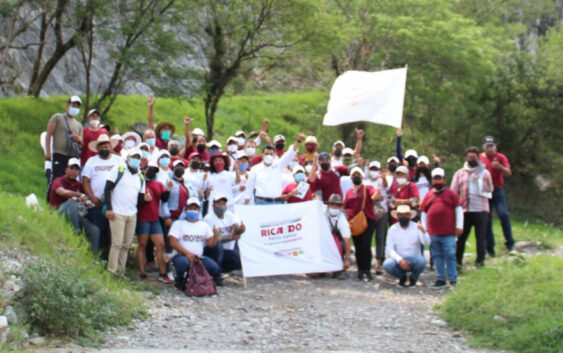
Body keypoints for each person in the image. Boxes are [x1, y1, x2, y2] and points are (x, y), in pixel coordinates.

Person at [104, 148, 149, 276]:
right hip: (117, 212)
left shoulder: (140, 177)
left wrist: (146, 200)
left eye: (138, 158)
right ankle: (111, 271)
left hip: (132, 213)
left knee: (126, 245)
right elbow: (107, 189)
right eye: (134, 157)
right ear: (128, 158)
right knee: (116, 244)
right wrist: (109, 208)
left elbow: (139, 198)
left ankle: (121, 271)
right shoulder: (119, 170)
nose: (136, 160)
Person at [451, 146, 494, 268]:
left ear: (478, 158)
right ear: (466, 158)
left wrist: (488, 182)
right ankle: (457, 261)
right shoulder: (460, 173)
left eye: (474, 157)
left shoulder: (484, 172)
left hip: (481, 209)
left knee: (481, 237)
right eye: (470, 157)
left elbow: (490, 190)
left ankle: (480, 261)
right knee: (461, 237)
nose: (472, 160)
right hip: (465, 210)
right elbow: (453, 191)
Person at [420, 168, 463, 288]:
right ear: (432, 180)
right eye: (435, 178)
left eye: (439, 178)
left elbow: (458, 209)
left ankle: (453, 278)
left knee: (450, 254)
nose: (437, 181)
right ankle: (441, 278)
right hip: (433, 232)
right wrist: (424, 228)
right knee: (436, 255)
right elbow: (423, 212)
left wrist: (459, 226)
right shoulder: (429, 195)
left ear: (444, 180)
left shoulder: (451, 193)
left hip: (448, 232)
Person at [168, 197, 222, 289]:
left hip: (198, 258)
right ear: (186, 209)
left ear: (199, 210)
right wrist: (187, 253)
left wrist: (215, 236)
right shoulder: (178, 224)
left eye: (195, 209)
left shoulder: (204, 225)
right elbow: (172, 242)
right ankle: (180, 280)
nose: (193, 211)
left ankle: (207, 279)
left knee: (214, 268)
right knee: (182, 264)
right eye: (191, 208)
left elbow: (211, 244)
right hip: (182, 256)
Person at [82, 134, 122, 258]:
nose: (104, 149)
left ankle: (111, 260)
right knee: (98, 232)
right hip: (97, 203)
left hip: (115, 203)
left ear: (110, 147)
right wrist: (93, 198)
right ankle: (97, 258)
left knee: (113, 234)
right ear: (98, 148)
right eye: (102, 147)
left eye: (106, 146)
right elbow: (85, 181)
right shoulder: (92, 161)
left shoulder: (118, 160)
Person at [49, 158, 100, 251]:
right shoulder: (58, 181)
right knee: (71, 202)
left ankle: (94, 256)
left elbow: (86, 200)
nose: (74, 171)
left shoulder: (79, 185)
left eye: (76, 169)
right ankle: (76, 230)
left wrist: (87, 201)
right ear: (66, 169)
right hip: (58, 213)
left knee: (94, 230)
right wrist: (79, 195)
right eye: (71, 168)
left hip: (75, 214)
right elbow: (63, 192)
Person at [136, 159, 173, 283]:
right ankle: (142, 273)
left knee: (161, 245)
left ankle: (163, 273)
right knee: (142, 245)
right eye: (149, 169)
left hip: (155, 219)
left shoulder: (158, 184)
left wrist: (168, 189)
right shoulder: (139, 183)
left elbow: (164, 199)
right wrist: (144, 200)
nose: (152, 172)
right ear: (144, 169)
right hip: (143, 218)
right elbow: (135, 201)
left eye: (154, 170)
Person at [342, 167, 381, 282]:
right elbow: (345, 206)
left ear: (362, 176)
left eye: (358, 174)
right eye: (354, 175)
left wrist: (378, 192)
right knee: (358, 247)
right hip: (353, 222)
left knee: (366, 245)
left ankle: (367, 270)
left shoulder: (367, 188)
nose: (356, 177)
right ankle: (360, 270)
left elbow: (374, 197)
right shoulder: (349, 192)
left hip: (367, 220)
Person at [245, 133, 306, 205]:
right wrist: (246, 203)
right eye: (266, 154)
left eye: (270, 154)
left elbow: (290, 153)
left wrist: (298, 141)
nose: (268, 156)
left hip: (277, 202)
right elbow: (249, 187)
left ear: (274, 155)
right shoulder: (255, 169)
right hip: (260, 201)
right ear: (262, 155)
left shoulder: (279, 165)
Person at [479, 136, 515, 254]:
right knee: (487, 220)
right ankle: (490, 248)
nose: (490, 149)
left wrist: (499, 167)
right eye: (487, 146)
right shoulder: (480, 158)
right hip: (485, 192)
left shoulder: (500, 157)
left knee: (503, 214)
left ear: (495, 147)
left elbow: (508, 173)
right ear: (484, 147)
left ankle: (510, 243)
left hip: (498, 190)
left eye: (492, 146)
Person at [383, 205, 430, 287]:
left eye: (406, 215)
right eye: (401, 215)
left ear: (409, 216)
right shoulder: (392, 229)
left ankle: (413, 278)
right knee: (387, 264)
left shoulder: (416, 227)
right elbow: (389, 249)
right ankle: (402, 277)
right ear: (397, 216)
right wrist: (400, 260)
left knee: (421, 261)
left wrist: (423, 231)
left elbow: (427, 243)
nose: (403, 217)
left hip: (414, 259)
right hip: (398, 260)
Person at [203, 194, 246, 274]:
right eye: (218, 203)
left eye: (223, 203)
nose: (221, 206)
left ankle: (223, 270)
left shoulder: (230, 215)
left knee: (239, 260)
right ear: (213, 205)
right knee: (218, 245)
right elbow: (217, 238)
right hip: (213, 250)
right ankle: (217, 273)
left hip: (227, 249)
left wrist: (240, 230)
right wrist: (232, 237)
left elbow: (235, 226)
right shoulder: (208, 218)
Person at [44, 95, 84, 181]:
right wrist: (48, 152)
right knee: (56, 178)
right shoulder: (57, 117)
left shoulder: (79, 125)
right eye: (73, 106)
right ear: (68, 105)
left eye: (77, 107)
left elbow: (82, 143)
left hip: (71, 155)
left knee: (68, 180)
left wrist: (79, 140)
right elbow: (48, 134)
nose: (75, 108)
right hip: (59, 154)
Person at [364, 160, 388, 275]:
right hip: (369, 211)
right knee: (368, 237)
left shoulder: (381, 181)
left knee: (380, 237)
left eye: (376, 169)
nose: (373, 171)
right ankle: (367, 261)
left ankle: (379, 261)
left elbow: (386, 184)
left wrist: (383, 177)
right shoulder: (366, 182)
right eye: (372, 169)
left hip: (382, 212)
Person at [326, 194, 351, 275]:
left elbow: (347, 240)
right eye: (332, 205)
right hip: (324, 241)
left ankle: (337, 266)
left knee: (340, 244)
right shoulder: (322, 214)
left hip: (337, 243)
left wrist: (347, 259)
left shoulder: (342, 220)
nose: (334, 207)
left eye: (337, 206)